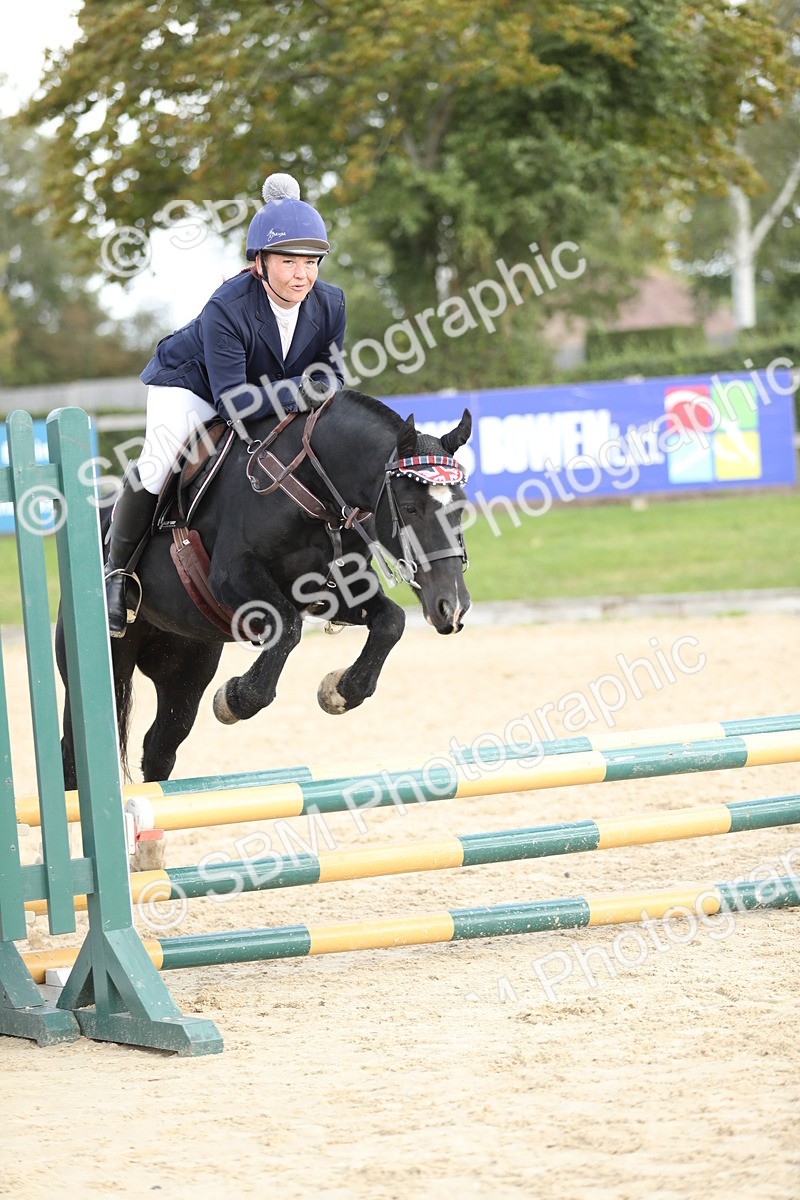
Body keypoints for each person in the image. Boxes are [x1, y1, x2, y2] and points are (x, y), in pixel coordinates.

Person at [104, 172, 346, 637]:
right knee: (159, 461)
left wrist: (311, 391)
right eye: (290, 261)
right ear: (259, 262)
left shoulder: (330, 303)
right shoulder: (228, 305)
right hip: (190, 385)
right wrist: (303, 389)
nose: (303, 274)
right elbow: (233, 403)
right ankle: (117, 575)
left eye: (312, 261)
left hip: (265, 388)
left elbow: (332, 376)